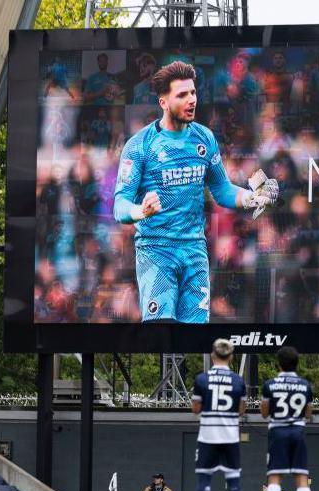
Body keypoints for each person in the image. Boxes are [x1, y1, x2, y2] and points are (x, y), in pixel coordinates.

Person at [114, 61, 279, 323]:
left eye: (192, 93)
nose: (191, 100)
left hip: (194, 249)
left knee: (194, 337)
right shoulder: (140, 146)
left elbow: (222, 189)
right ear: (163, 102)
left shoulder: (204, 139)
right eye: (182, 95)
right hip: (157, 250)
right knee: (162, 331)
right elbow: (119, 206)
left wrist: (250, 197)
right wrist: (140, 211)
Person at [190, 339, 248, 491]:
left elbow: (195, 409)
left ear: (213, 355)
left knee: (204, 480)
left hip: (207, 436)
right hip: (230, 436)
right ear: (231, 357)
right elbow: (241, 410)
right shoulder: (239, 381)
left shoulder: (201, 379)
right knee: (233, 481)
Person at [256, 346, 314, 491]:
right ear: (297, 363)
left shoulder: (270, 385)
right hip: (297, 431)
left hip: (278, 431)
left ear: (278, 363)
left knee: (274, 477)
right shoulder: (305, 385)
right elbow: (308, 413)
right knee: (301, 478)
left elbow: (264, 413)